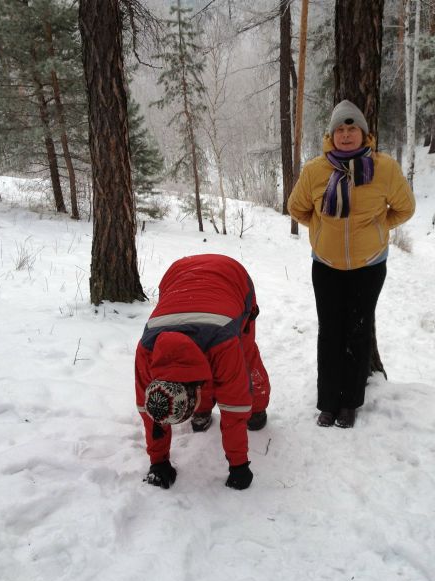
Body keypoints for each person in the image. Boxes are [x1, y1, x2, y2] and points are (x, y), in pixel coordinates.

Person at [288, 99, 415, 429]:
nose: (346, 135)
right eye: (340, 129)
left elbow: (404, 208)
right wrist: (320, 229)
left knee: (358, 332)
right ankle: (328, 402)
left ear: (364, 133)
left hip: (369, 265)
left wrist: (377, 228)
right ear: (331, 135)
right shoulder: (316, 170)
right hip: (326, 265)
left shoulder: (384, 168)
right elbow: (297, 208)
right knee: (330, 332)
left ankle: (350, 403)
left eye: (352, 128)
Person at [134, 254, 270, 490]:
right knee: (196, 363)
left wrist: (239, 465)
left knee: (245, 359)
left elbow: (234, 404)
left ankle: (258, 408)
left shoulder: (224, 343)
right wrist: (158, 462)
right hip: (177, 277)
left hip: (233, 278)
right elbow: (148, 412)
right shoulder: (147, 351)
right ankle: (203, 407)